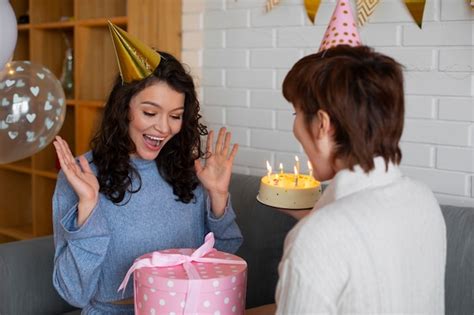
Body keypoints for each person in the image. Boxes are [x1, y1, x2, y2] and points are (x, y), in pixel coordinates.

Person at [52, 24, 243, 314]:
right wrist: (89, 208)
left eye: (176, 116)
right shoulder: (81, 178)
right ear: (124, 108)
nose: (164, 128)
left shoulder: (188, 172)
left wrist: (218, 198)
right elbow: (74, 293)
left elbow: (223, 268)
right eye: (150, 113)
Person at [266, 45, 446, 314]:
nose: (295, 127)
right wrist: (314, 215)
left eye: (297, 113)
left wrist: (315, 224)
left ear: (323, 125)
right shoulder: (424, 200)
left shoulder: (314, 239)